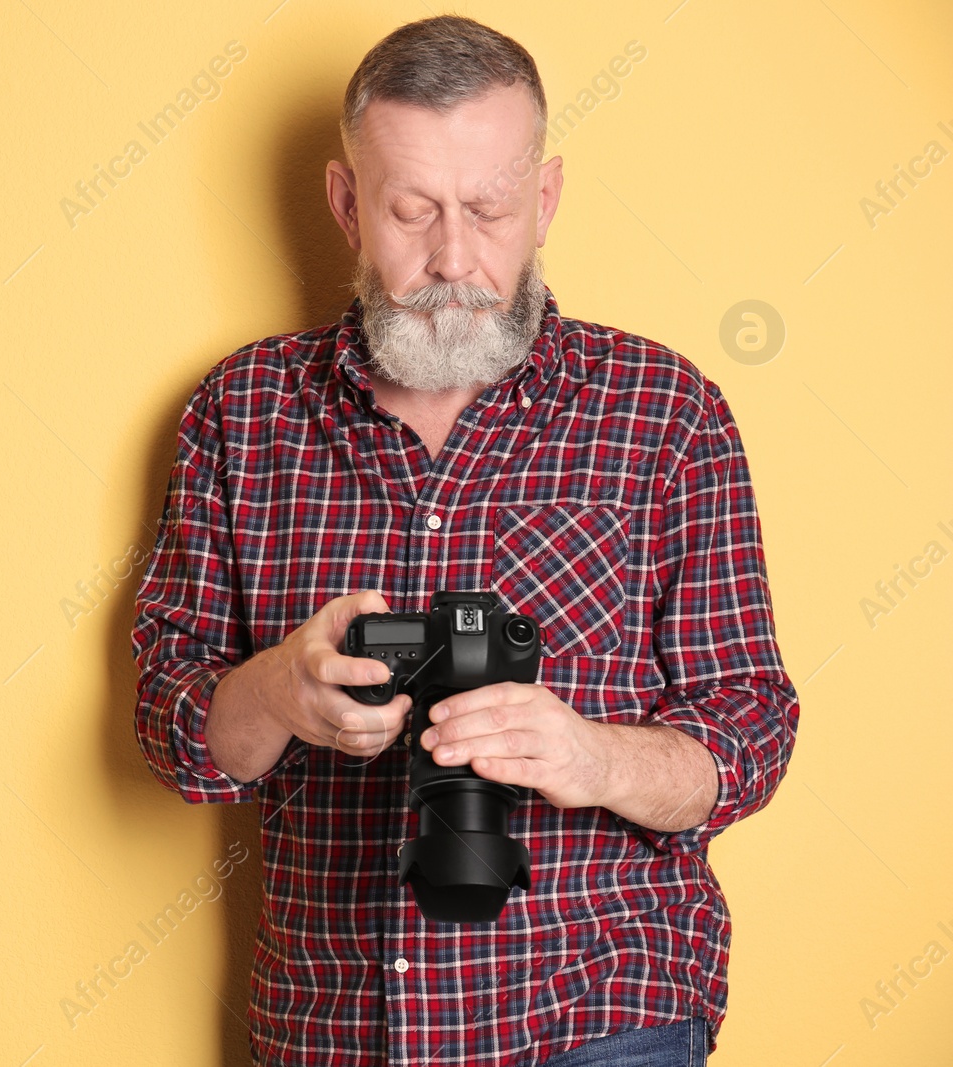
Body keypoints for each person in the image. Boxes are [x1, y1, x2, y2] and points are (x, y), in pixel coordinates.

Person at [129, 15, 799, 1067]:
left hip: (598, 1008)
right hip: (340, 1022)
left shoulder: (663, 412)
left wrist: (590, 753)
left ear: (543, 199)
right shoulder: (242, 411)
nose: (452, 257)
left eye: (488, 209)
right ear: (347, 204)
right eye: (410, 210)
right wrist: (278, 693)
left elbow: (751, 732)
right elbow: (170, 733)